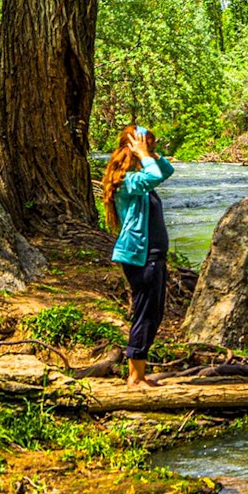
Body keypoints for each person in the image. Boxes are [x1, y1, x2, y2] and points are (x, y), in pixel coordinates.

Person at [102, 125, 175, 388]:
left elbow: (165, 171)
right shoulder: (128, 181)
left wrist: (151, 154)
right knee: (145, 314)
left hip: (153, 257)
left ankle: (139, 373)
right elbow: (154, 176)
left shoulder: (138, 177)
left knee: (152, 315)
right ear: (132, 149)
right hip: (141, 258)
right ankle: (135, 377)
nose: (150, 151)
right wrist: (144, 155)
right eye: (146, 146)